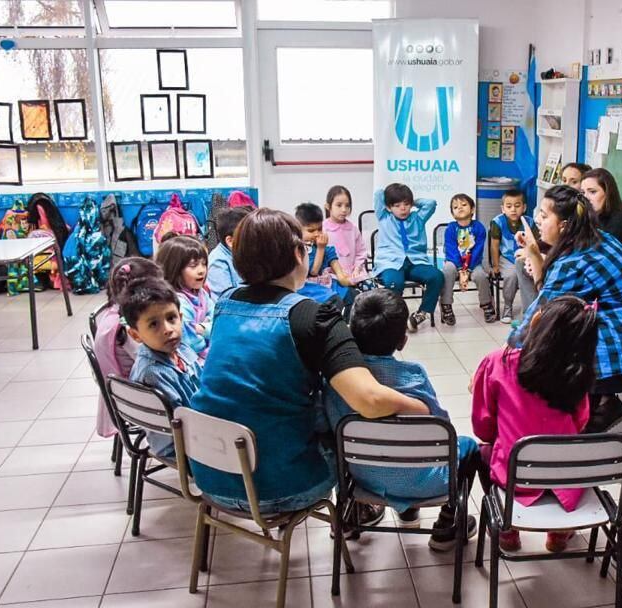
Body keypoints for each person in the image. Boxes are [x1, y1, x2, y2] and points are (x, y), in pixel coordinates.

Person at [189, 208, 429, 515]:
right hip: (280, 487)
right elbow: (370, 400)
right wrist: (421, 410)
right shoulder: (314, 316)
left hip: (210, 475)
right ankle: (363, 506)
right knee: (340, 405)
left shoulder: (225, 305)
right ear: (297, 254)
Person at [325, 288, 481, 550]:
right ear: (402, 341)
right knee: (467, 446)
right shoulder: (413, 377)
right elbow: (441, 429)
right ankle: (447, 524)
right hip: (424, 483)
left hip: (362, 478)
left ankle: (352, 516)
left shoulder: (338, 378)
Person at [517, 184, 622, 432]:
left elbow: (542, 314)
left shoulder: (574, 261)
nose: (537, 220)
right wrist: (536, 251)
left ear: (563, 225)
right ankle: (601, 404)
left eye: (543, 215)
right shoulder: (600, 239)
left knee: (547, 353)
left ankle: (591, 415)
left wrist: (499, 361)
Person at [473, 295, 598, 553]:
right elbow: (580, 422)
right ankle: (559, 533)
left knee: (481, 451)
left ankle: (508, 530)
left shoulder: (500, 361)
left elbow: (482, 427)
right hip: (568, 479)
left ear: (537, 321)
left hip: (516, 476)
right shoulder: (580, 373)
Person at [121, 276, 202, 460]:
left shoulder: (180, 348)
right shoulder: (152, 373)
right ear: (135, 335)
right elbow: (184, 422)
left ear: (180, 318)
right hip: (180, 447)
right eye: (153, 324)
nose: (167, 329)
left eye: (171, 318)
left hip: (195, 430)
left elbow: (202, 381)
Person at [93, 257, 162, 438]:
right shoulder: (127, 329)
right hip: (139, 400)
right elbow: (156, 360)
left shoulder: (112, 312)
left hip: (122, 394)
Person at [373, 183, 443, 332]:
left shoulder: (418, 218)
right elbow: (378, 194)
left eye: (406, 204)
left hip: (415, 262)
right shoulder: (384, 217)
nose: (403, 208)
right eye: (397, 205)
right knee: (394, 283)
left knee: (437, 276)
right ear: (389, 206)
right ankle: (395, 317)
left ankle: (421, 313)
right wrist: (391, 196)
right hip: (390, 262)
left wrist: (412, 200)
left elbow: (431, 204)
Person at [155, 234, 215, 362]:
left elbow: (218, 319)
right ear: (175, 269)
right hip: (192, 360)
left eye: (204, 264)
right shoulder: (177, 303)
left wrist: (202, 328)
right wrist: (210, 328)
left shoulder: (201, 293)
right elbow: (195, 345)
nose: (201, 270)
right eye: (193, 266)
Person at [295, 202, 356, 312]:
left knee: (352, 294)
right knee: (335, 301)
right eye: (311, 231)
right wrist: (320, 249)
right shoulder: (299, 249)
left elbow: (334, 262)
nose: (317, 234)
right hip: (309, 287)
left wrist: (344, 278)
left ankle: (349, 322)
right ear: (298, 230)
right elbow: (313, 271)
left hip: (328, 282)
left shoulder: (322, 246)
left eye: (319, 229)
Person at [441, 193, 492, 325]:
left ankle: (486, 304)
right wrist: (460, 269)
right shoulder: (451, 228)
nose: (460, 208)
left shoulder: (479, 227)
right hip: (454, 262)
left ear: (473, 209)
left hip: (473, 263)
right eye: (456, 207)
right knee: (447, 270)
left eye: (464, 205)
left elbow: (477, 251)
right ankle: (446, 305)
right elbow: (451, 251)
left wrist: (467, 270)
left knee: (481, 276)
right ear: (452, 213)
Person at [488, 188, 534, 324]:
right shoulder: (498, 222)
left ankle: (529, 309)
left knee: (530, 275)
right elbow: (494, 246)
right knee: (512, 275)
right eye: (509, 206)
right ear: (503, 208)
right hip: (506, 258)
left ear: (524, 207)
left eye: (517, 206)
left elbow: (534, 243)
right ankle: (507, 306)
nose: (513, 209)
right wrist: (495, 265)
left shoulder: (529, 222)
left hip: (525, 256)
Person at [323, 185, 372, 289]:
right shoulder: (323, 229)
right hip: (333, 275)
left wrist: (357, 269)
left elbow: (361, 252)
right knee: (342, 295)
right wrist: (338, 273)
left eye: (347, 205)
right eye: (339, 205)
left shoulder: (353, 228)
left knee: (371, 291)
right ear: (328, 206)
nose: (344, 209)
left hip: (355, 273)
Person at [207, 206, 251, 299]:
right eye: (248, 236)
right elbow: (227, 298)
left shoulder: (242, 254)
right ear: (230, 241)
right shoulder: (218, 261)